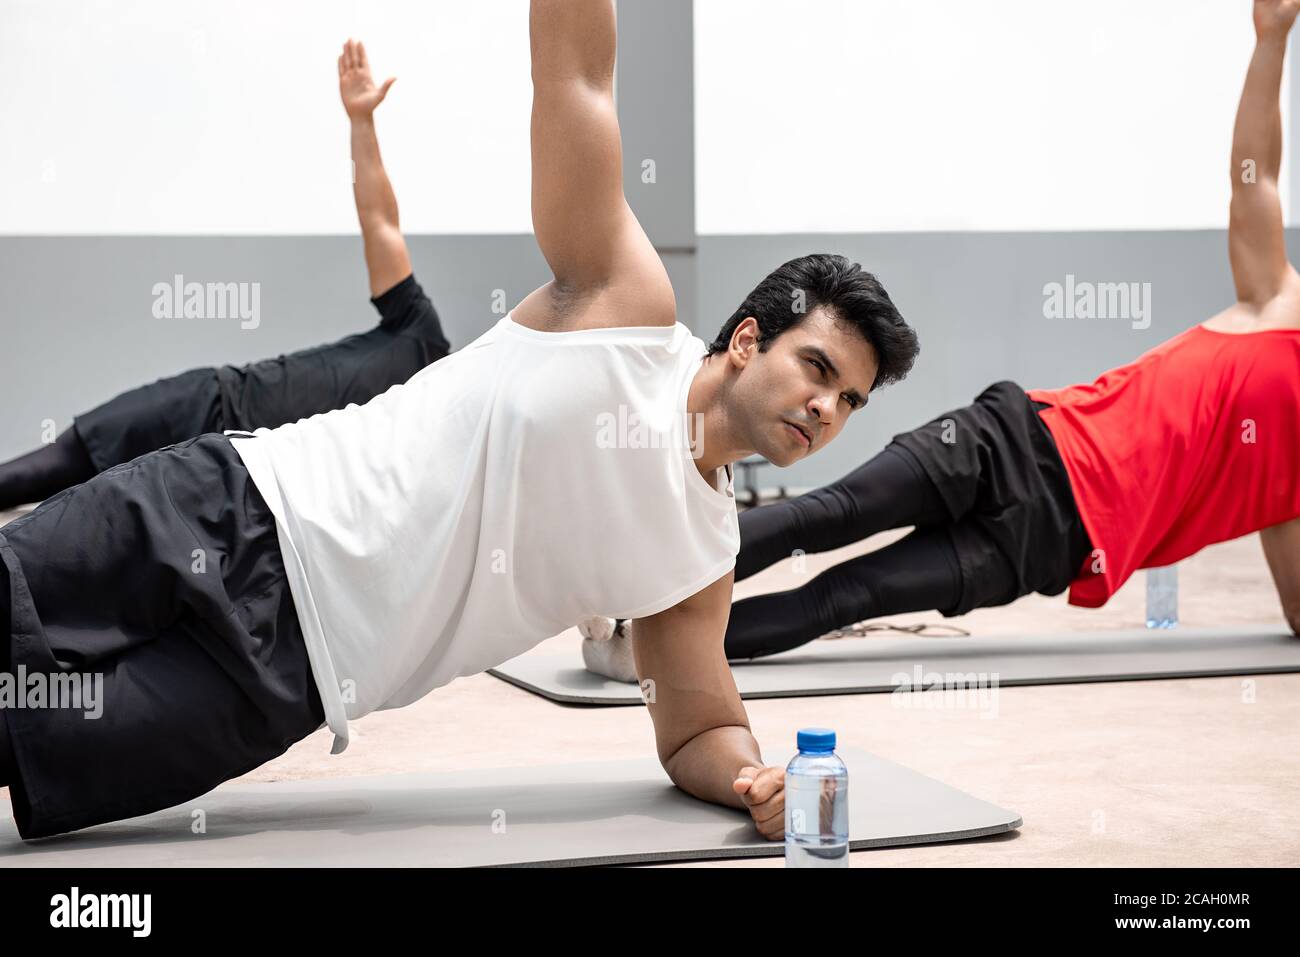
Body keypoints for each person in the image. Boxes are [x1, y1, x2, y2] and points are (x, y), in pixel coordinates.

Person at [0, 4, 918, 841]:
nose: (825, 408)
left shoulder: (698, 559)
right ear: (750, 339)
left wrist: (752, 777)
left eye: (850, 402)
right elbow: (577, 77)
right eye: (820, 369)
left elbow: (700, 727)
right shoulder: (625, 307)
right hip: (234, 504)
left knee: (38, 743)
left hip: (290, 681)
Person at [579, 0, 1300, 674]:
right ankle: (626, 586)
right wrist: (1272, 41)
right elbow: (1254, 181)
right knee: (829, 514)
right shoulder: (1279, 306)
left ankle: (649, 658)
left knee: (848, 596)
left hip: (1054, 542)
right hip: (1015, 440)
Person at [0, 39, 451, 513]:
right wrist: (362, 122)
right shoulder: (420, 335)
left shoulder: (421, 442)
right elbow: (380, 220)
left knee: (68, 531)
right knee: (54, 467)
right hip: (205, 402)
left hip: (229, 483)